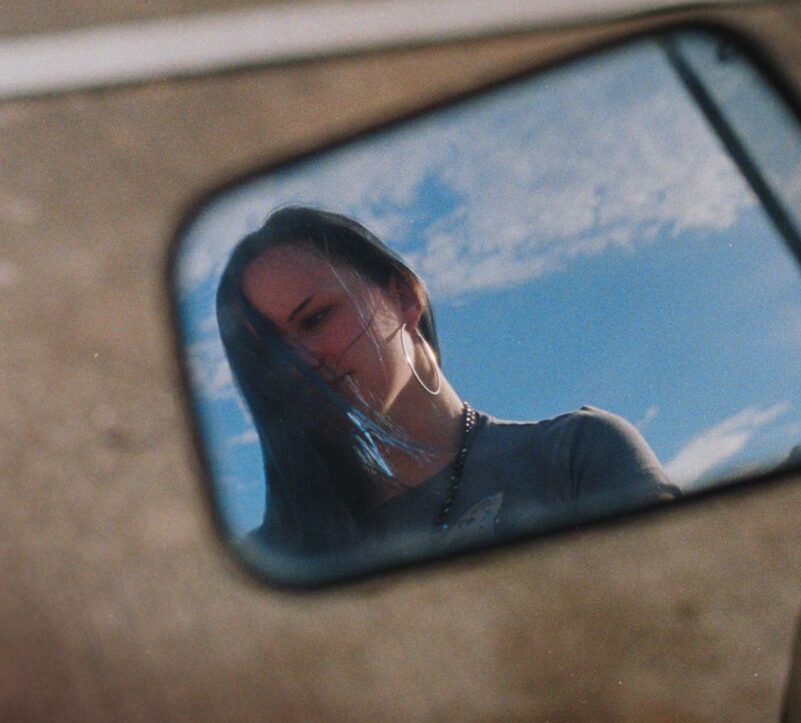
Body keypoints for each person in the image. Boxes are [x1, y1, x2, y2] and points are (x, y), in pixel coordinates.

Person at [215, 206, 677, 572]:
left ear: (403, 298)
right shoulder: (268, 562)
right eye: (271, 352)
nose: (300, 362)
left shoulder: (574, 456)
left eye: (315, 319)